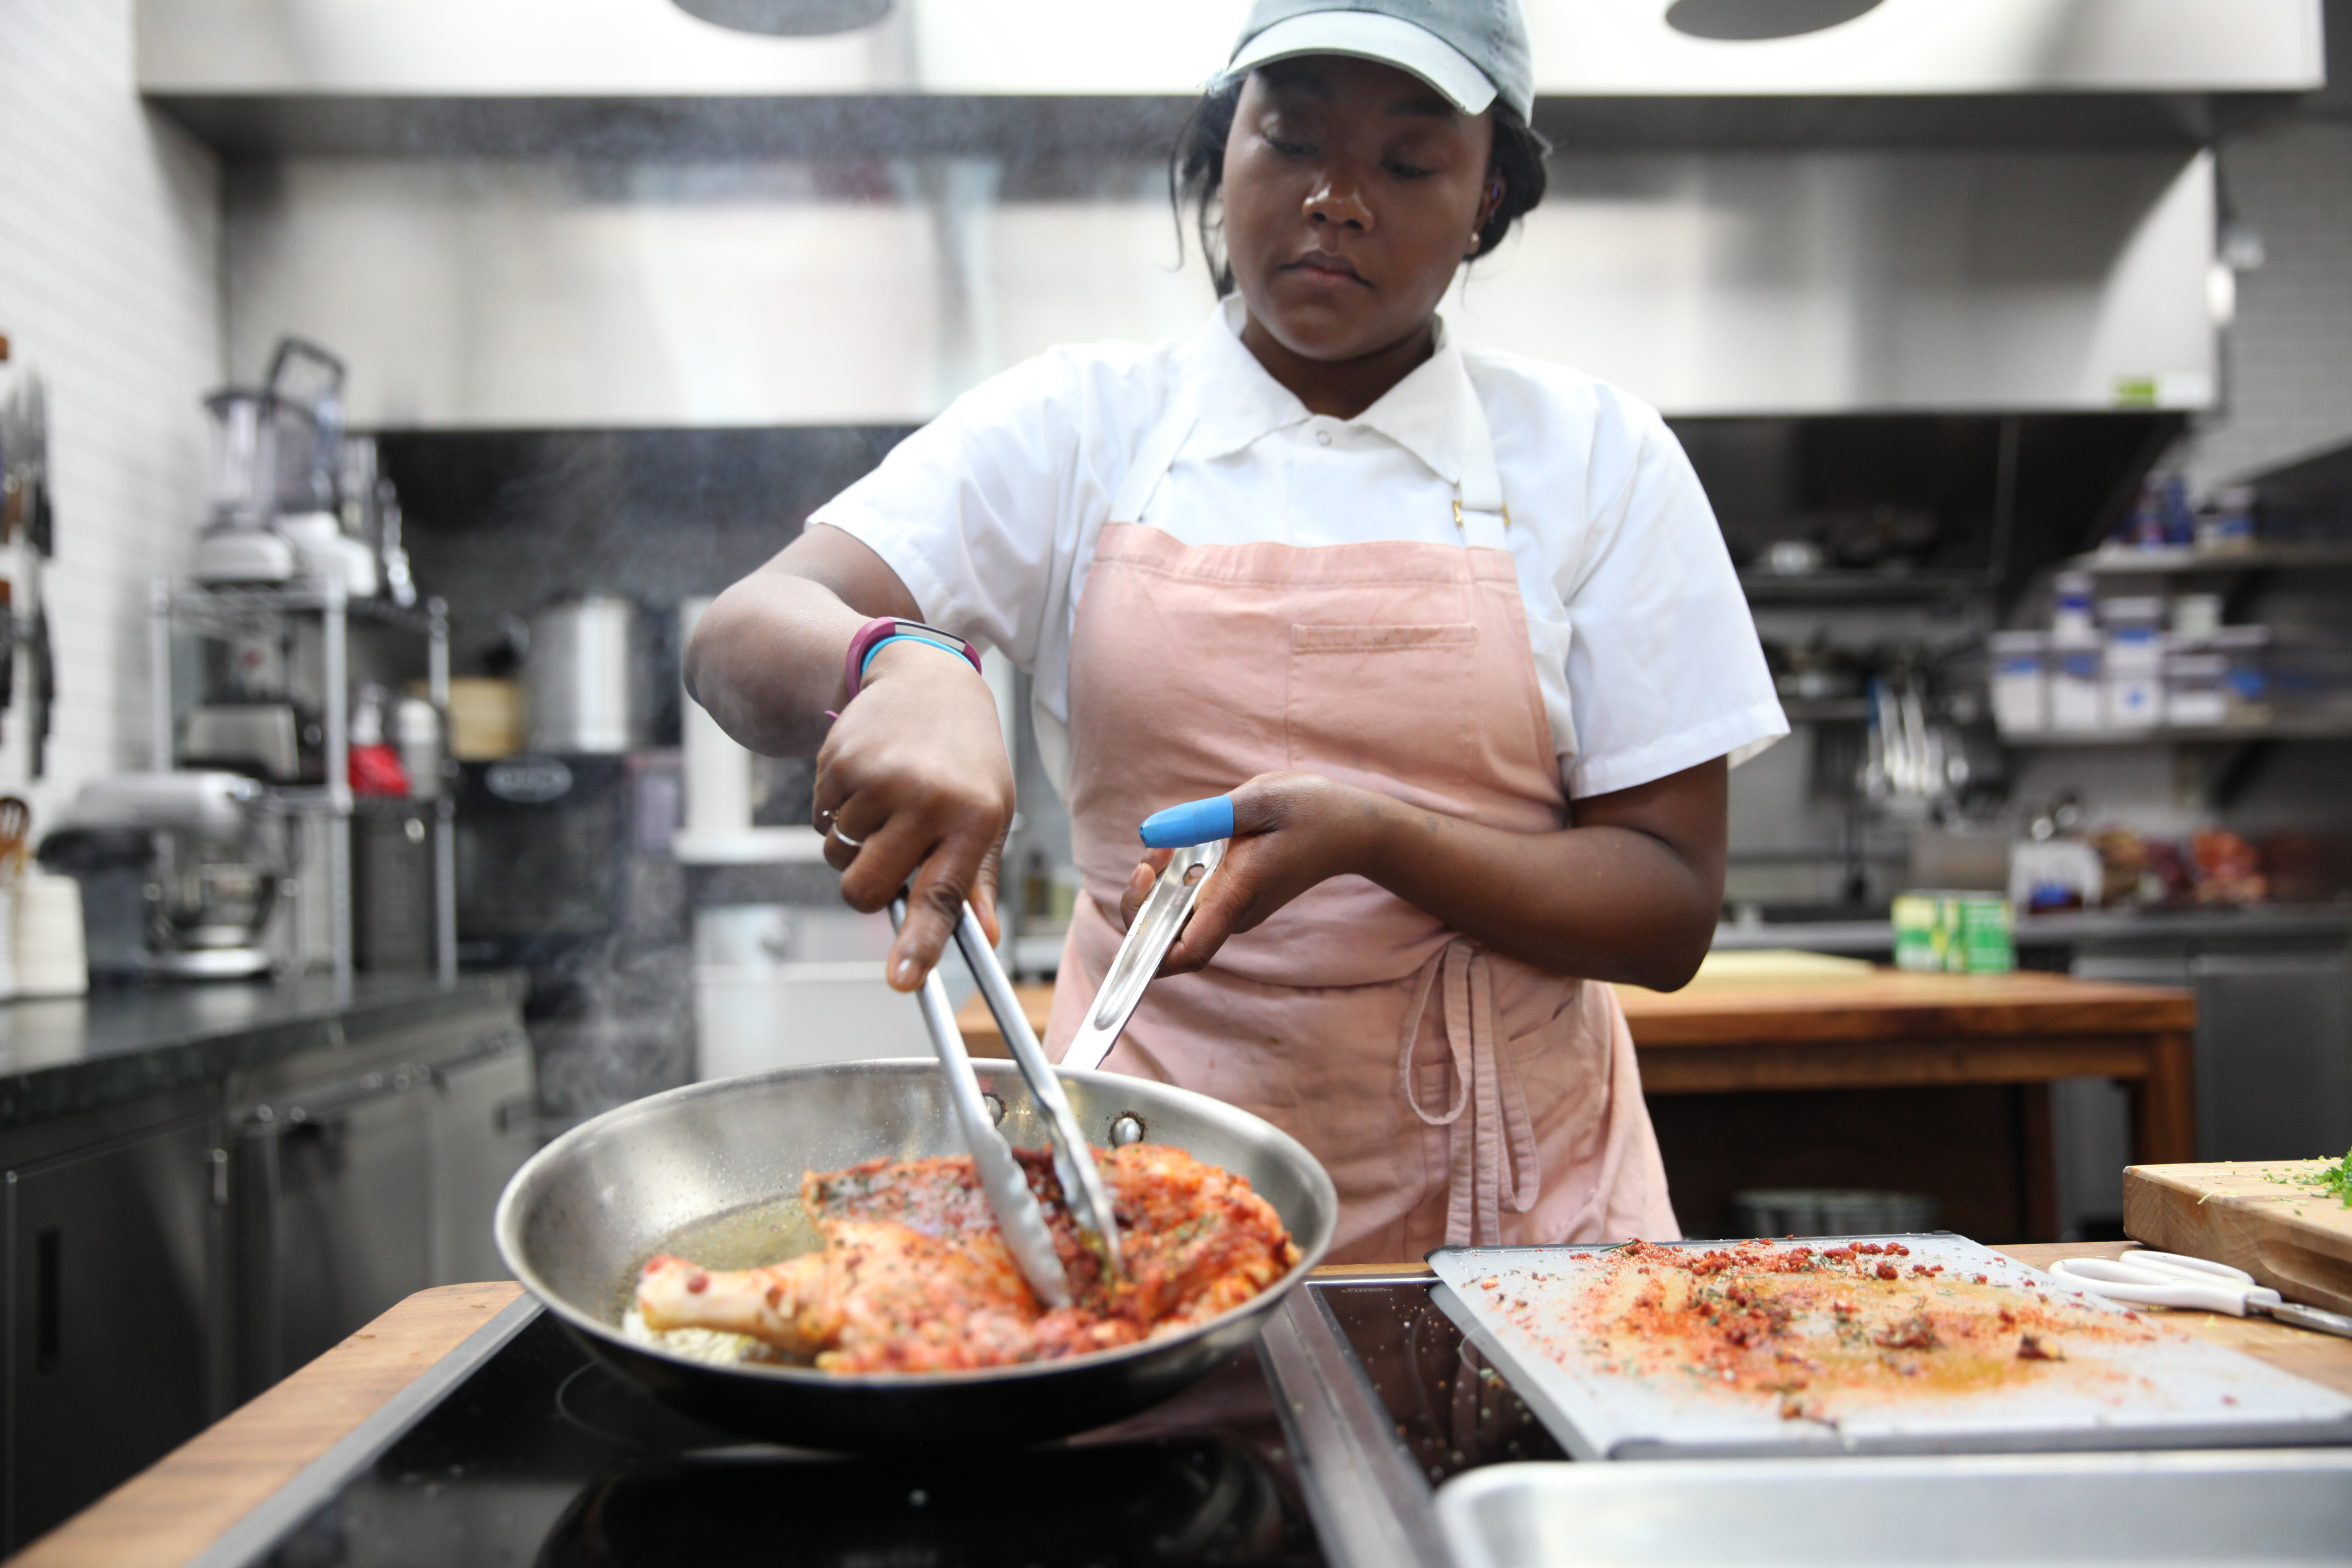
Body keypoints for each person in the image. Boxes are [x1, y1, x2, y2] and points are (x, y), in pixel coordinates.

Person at [686, 0, 1787, 1261]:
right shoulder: (1080, 426)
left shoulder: (1596, 456)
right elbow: (739, 633)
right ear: (1223, 155)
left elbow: (1667, 907)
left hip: (1526, 1230)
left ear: (1489, 199)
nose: (1338, 198)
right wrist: (898, 659)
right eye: (1291, 139)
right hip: (1149, 1190)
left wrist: (1378, 838)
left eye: (1410, 161)